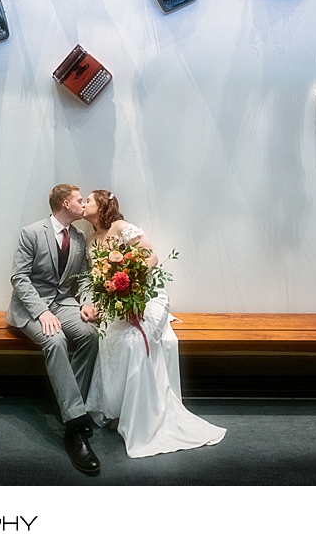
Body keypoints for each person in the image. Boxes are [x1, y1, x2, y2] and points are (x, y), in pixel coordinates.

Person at [82, 189, 226, 458]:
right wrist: (103, 301)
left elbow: (151, 257)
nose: (84, 204)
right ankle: (118, 409)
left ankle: (144, 416)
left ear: (101, 205)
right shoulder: (90, 240)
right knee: (110, 339)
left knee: (135, 341)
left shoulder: (121, 227)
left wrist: (131, 289)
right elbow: (98, 281)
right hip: (117, 302)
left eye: (88, 200)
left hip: (146, 296)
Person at [7, 184, 102, 476]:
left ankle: (69, 404)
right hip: (32, 308)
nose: (82, 204)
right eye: (78, 200)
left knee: (89, 336)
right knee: (56, 340)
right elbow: (19, 278)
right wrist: (42, 311)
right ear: (64, 203)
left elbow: (84, 277)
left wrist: (86, 302)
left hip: (64, 303)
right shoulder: (31, 232)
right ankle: (75, 424)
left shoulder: (78, 237)